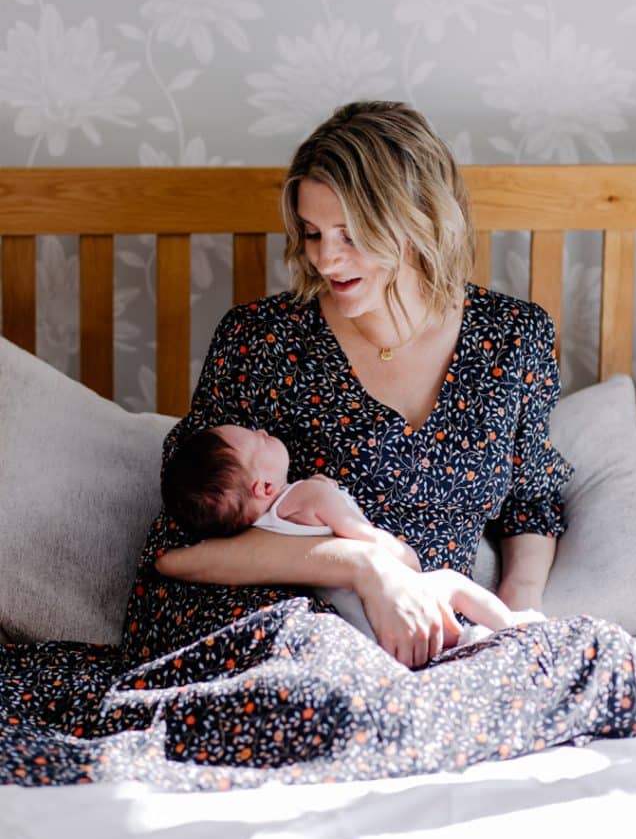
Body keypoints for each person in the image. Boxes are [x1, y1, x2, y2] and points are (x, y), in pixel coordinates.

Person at [156, 99, 572, 668]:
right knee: (332, 693)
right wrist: (364, 566)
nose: (326, 260)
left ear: (418, 219)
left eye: (351, 235)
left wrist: (516, 623)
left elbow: (528, 503)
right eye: (311, 233)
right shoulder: (262, 340)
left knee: (594, 663)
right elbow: (180, 550)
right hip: (278, 625)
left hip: (429, 639)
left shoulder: (514, 336)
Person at [160, 422, 519, 646]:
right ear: (265, 485)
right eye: (259, 441)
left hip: (351, 621)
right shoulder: (310, 496)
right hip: (388, 604)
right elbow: (359, 533)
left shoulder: (261, 526)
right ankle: (515, 628)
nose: (264, 432)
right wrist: (402, 556)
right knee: (451, 582)